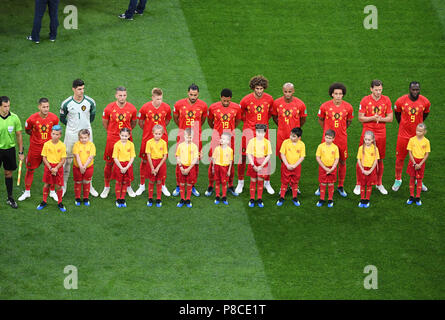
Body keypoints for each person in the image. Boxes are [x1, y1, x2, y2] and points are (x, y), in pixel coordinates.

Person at [235, 75, 275, 195]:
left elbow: (270, 114)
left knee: (266, 156)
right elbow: (240, 114)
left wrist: (262, 124)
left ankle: (267, 182)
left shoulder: (269, 99)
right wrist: (248, 123)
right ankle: (240, 182)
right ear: (253, 88)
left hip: (263, 132)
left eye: (261, 88)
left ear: (264, 88)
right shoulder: (245, 100)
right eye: (257, 88)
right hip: (248, 132)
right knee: (242, 156)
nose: (259, 91)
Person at [60, 79, 98, 197]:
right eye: (79, 89)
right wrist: (72, 127)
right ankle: (63, 185)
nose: (81, 91)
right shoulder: (66, 103)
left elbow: (92, 116)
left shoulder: (90, 102)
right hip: (71, 134)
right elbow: (62, 118)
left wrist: (84, 128)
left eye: (83, 89)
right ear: (73, 89)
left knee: (88, 158)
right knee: (67, 159)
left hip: (87, 134)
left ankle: (89, 185)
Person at [353, 80, 392, 196]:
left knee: (380, 159)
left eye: (380, 90)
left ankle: (379, 183)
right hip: (367, 132)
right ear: (371, 89)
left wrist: (380, 119)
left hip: (381, 133)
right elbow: (360, 118)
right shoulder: (365, 100)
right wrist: (373, 118)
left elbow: (390, 118)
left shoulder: (387, 100)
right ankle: (358, 183)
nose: (378, 92)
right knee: (362, 156)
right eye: (376, 90)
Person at [316, 82, 353, 197]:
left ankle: (340, 186)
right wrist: (327, 132)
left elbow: (349, 121)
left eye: (340, 94)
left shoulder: (348, 107)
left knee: (342, 161)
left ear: (343, 95)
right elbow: (320, 119)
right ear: (332, 94)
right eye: (335, 93)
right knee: (325, 161)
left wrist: (341, 131)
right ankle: (322, 184)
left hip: (342, 139)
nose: (338, 96)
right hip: (327, 140)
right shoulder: (324, 106)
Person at [392, 82, 430, 192]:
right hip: (403, 135)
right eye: (413, 89)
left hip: (417, 137)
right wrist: (403, 125)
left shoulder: (425, 102)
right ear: (409, 89)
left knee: (418, 158)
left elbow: (425, 114)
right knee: (400, 159)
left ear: (419, 89)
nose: (415, 92)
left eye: (417, 89)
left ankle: (419, 180)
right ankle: (398, 179)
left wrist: (418, 124)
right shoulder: (401, 101)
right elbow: (397, 114)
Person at [100, 87, 138, 199]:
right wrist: (112, 132)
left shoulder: (132, 109)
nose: (122, 97)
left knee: (127, 163)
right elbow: (105, 122)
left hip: (126, 138)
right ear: (116, 96)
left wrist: (126, 134)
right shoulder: (109, 108)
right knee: (109, 163)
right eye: (120, 95)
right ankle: (106, 186)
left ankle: (128, 186)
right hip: (112, 139)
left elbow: (133, 123)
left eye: (124, 95)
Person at [19, 97, 59, 202]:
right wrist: (36, 138)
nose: (46, 109)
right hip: (35, 148)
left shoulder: (54, 118)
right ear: (39, 107)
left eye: (47, 107)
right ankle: (27, 192)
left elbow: (55, 131)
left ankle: (52, 191)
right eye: (44, 107)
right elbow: (27, 130)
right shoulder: (31, 119)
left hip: (49, 148)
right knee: (30, 169)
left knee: (52, 169)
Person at [172, 84, 207, 197]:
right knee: (180, 160)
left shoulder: (203, 106)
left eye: (195, 95)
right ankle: (179, 185)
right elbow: (176, 118)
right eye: (191, 94)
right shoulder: (179, 104)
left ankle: (192, 185)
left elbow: (202, 120)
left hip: (196, 137)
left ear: (198, 94)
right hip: (182, 137)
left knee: (195, 161)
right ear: (188, 93)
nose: (193, 97)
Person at [205, 88, 242, 197]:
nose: (226, 103)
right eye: (224, 100)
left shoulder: (236, 107)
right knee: (213, 161)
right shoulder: (213, 107)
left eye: (228, 101)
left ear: (230, 99)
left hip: (230, 139)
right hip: (216, 139)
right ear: (221, 98)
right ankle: (211, 185)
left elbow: (237, 121)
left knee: (230, 161)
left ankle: (230, 185)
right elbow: (209, 121)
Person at [136, 88, 171, 197]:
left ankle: (163, 185)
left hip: (162, 139)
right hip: (147, 139)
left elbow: (167, 120)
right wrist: (148, 130)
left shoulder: (166, 107)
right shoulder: (145, 107)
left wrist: (160, 132)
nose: (159, 101)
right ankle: (142, 185)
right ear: (152, 97)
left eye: (161, 99)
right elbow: (140, 122)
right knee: (144, 161)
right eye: (157, 99)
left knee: (162, 161)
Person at [0, 96, 24, 209]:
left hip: (10, 150)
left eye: (8, 106)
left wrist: (20, 152)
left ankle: (10, 198)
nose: (7, 108)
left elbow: (19, 135)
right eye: (5, 106)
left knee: (8, 173)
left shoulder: (14, 118)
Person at [271, 82, 307, 155]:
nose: (287, 94)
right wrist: (281, 126)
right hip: (281, 134)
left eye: (289, 92)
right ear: (283, 91)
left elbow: (303, 119)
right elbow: (274, 117)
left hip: (295, 135)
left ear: (293, 91)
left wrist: (296, 128)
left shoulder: (301, 104)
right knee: (282, 155)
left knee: (294, 155)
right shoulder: (276, 103)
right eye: (285, 92)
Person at [37, 125, 67, 212]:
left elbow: (63, 159)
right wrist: (51, 168)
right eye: (53, 134)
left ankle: (60, 202)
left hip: (58, 168)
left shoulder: (62, 145)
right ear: (51, 134)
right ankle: (44, 201)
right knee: (47, 184)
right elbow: (44, 158)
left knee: (58, 186)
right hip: (49, 167)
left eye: (57, 134)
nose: (55, 136)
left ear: (60, 135)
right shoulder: (46, 144)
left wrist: (56, 168)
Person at [276, 127, 305, 207]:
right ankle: (281, 197)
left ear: (299, 138)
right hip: (286, 166)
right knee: (284, 182)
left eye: (294, 136)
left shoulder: (302, 144)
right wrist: (287, 164)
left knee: (295, 182)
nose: (291, 137)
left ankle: (294, 197)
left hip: (296, 168)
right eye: (291, 135)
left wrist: (295, 165)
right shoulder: (285, 142)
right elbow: (282, 154)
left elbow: (302, 157)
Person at [246, 124, 272, 208]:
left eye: (261, 132)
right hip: (253, 162)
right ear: (255, 132)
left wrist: (261, 166)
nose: (259, 134)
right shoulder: (251, 141)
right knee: (253, 180)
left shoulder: (267, 142)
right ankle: (252, 198)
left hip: (262, 163)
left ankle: (259, 199)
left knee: (260, 181)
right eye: (258, 132)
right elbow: (249, 154)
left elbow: (268, 156)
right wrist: (253, 165)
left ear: (264, 133)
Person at [406, 123, 430, 206]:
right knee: (412, 178)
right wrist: (415, 163)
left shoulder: (426, 141)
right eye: (417, 130)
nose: (418, 132)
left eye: (420, 131)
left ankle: (418, 197)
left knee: (419, 180)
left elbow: (427, 154)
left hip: (421, 163)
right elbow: (410, 152)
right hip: (413, 161)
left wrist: (420, 164)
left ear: (424, 132)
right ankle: (411, 196)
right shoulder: (412, 140)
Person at [111, 128, 136, 208]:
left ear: (129, 136)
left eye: (126, 136)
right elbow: (115, 157)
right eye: (122, 135)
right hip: (119, 165)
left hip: (127, 165)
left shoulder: (131, 144)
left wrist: (126, 167)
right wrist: (121, 167)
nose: (124, 137)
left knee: (125, 182)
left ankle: (123, 198)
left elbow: (132, 157)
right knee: (118, 182)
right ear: (119, 135)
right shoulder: (117, 145)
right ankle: (118, 199)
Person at [175, 128, 199, 208]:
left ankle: (188, 199)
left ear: (193, 137)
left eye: (190, 137)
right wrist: (181, 167)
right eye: (187, 137)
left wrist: (189, 168)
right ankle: (182, 199)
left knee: (189, 183)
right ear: (184, 136)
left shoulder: (195, 147)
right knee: (181, 183)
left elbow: (195, 159)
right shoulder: (180, 145)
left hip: (190, 168)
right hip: (182, 167)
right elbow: (177, 156)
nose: (189, 139)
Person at [145, 125, 168, 208]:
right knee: (151, 181)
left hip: (160, 164)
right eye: (156, 133)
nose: (157, 135)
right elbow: (148, 155)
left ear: (162, 134)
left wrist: (158, 167)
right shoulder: (149, 142)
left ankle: (158, 198)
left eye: (159, 134)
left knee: (159, 181)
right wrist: (152, 167)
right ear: (153, 133)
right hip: (152, 163)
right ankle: (150, 198)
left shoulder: (164, 143)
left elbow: (165, 156)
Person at [315, 129, 339, 208]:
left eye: (330, 138)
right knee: (323, 183)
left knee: (331, 183)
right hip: (323, 168)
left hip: (332, 168)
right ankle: (321, 199)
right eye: (326, 137)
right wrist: (324, 167)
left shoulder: (335, 147)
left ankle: (330, 199)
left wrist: (332, 168)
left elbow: (336, 159)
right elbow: (318, 157)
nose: (328, 139)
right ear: (324, 137)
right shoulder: (320, 146)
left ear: (333, 139)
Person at [72, 129, 96, 206]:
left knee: (86, 182)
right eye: (81, 138)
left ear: (88, 137)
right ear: (79, 138)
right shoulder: (76, 145)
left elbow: (90, 157)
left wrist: (84, 167)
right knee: (78, 182)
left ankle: (86, 198)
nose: (83, 139)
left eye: (85, 138)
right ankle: (77, 198)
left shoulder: (91, 145)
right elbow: (77, 156)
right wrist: (80, 167)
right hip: (77, 167)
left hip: (88, 168)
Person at [356, 131, 380, 208]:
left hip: (371, 170)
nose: (367, 141)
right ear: (364, 139)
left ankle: (367, 200)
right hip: (362, 169)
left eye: (369, 140)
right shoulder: (361, 148)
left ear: (372, 140)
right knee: (362, 184)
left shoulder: (375, 149)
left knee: (369, 185)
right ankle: (362, 199)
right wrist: (362, 170)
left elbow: (376, 161)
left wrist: (370, 170)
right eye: (366, 139)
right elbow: (358, 160)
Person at [211, 132, 234, 205]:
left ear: (228, 141)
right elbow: (214, 158)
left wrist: (229, 170)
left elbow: (230, 161)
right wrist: (213, 167)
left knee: (224, 183)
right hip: (217, 167)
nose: (221, 140)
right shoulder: (217, 149)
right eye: (221, 138)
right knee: (217, 182)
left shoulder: (230, 150)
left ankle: (224, 196)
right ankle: (217, 196)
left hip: (225, 167)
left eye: (223, 139)